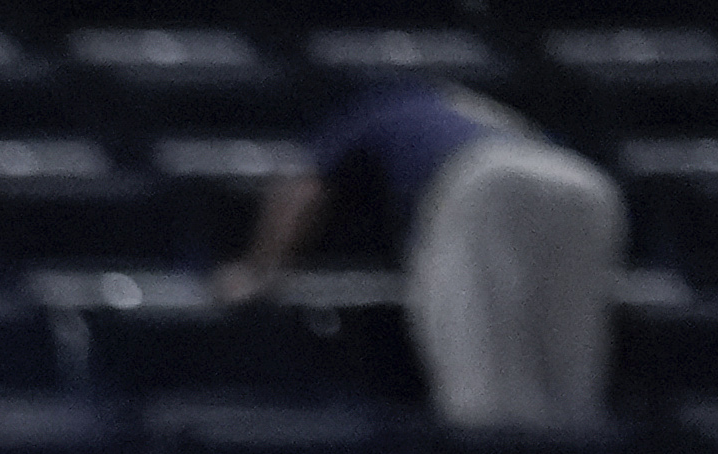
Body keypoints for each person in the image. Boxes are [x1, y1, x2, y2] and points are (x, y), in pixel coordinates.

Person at [225, 80, 623, 428]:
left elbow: (303, 191)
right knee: (570, 385)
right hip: (585, 185)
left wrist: (258, 270)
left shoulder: (381, 105)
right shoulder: (485, 114)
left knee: (485, 389)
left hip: (486, 180)